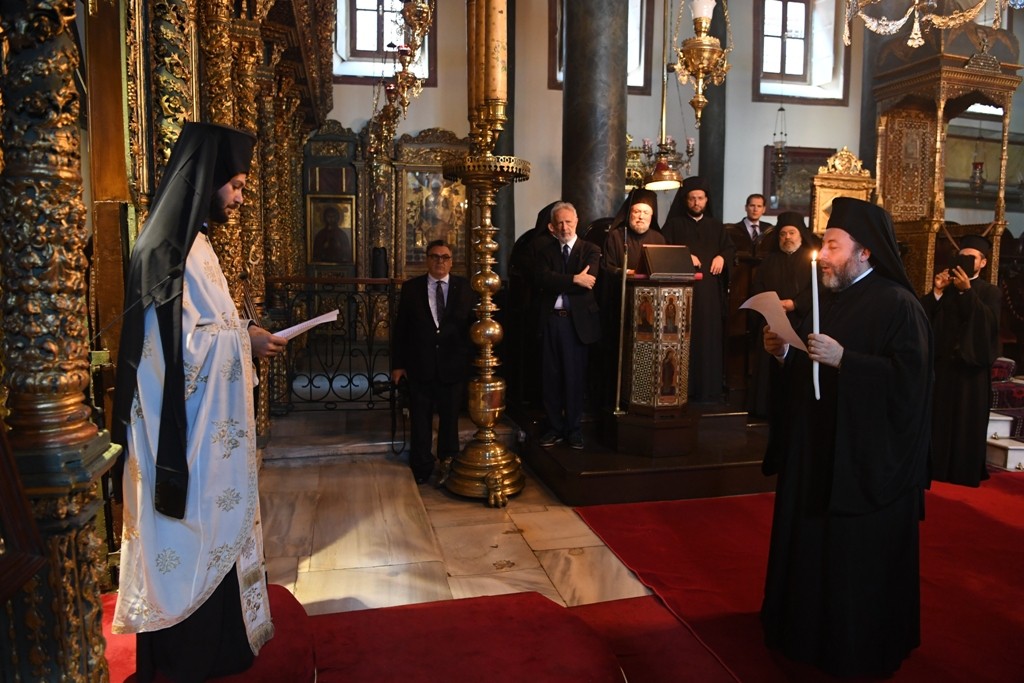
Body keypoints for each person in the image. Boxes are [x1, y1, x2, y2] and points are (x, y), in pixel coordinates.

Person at [111, 122, 288, 681]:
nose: (239, 197)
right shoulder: (165, 250)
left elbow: (205, 328)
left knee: (215, 530)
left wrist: (243, 333)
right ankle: (189, 655)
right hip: (177, 435)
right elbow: (172, 353)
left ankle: (223, 644)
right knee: (187, 535)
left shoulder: (197, 244)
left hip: (202, 431)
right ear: (209, 179)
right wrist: (244, 342)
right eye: (235, 185)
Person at [760, 197, 933, 678]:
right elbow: (809, 372)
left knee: (853, 563)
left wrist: (846, 361)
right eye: (825, 246)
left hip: (863, 463)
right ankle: (802, 632)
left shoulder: (899, 305)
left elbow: (912, 385)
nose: (824, 256)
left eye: (833, 247)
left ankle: (853, 643)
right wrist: (784, 353)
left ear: (865, 252)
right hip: (816, 452)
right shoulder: (827, 299)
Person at [391, 239, 475, 484]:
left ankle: (448, 463)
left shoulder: (465, 288)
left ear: (452, 261)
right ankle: (421, 467)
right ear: (427, 260)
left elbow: (471, 326)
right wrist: (398, 365)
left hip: (453, 365)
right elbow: (401, 329)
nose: (440, 261)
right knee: (420, 419)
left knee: (450, 420)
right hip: (420, 364)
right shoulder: (412, 288)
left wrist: (470, 363)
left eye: (445, 257)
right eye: (435, 256)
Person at [921, 233, 1001, 487]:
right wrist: (937, 291)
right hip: (944, 366)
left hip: (971, 370)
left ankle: (963, 471)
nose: (966, 261)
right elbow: (925, 319)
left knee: (967, 421)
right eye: (962, 256)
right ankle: (936, 467)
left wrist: (967, 292)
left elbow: (987, 326)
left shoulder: (990, 292)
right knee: (939, 418)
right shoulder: (947, 288)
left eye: (972, 258)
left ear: (983, 263)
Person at [534, 202, 602, 450]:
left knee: (574, 378)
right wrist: (574, 278)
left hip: (576, 324)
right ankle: (554, 428)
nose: (564, 227)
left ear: (577, 222)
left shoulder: (591, 250)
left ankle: (573, 429)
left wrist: (559, 281)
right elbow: (542, 279)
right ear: (552, 227)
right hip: (551, 321)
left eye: (568, 222)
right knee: (550, 377)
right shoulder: (544, 251)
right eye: (560, 223)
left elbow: (589, 281)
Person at [662, 176, 735, 403]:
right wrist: (684, 255)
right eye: (692, 198)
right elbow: (662, 250)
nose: (696, 203)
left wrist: (722, 257)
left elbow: (729, 249)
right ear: (685, 200)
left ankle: (708, 389)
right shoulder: (674, 225)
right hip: (681, 294)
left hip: (709, 295)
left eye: (700, 198)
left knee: (708, 338)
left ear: (706, 200)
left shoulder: (716, 226)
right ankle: (683, 388)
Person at [746, 211, 817, 417]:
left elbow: (818, 290)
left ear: (800, 234)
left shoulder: (812, 260)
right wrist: (771, 305)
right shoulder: (769, 261)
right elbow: (758, 287)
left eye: (792, 233)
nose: (787, 237)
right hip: (773, 321)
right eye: (783, 234)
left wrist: (795, 304)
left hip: (802, 321)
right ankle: (766, 407)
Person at [725, 194, 775, 396]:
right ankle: (735, 379)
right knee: (736, 331)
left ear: (764, 209)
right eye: (752, 205)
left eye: (759, 206)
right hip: (739, 288)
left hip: (760, 287)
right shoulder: (732, 231)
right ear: (746, 207)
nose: (755, 209)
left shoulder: (771, 232)